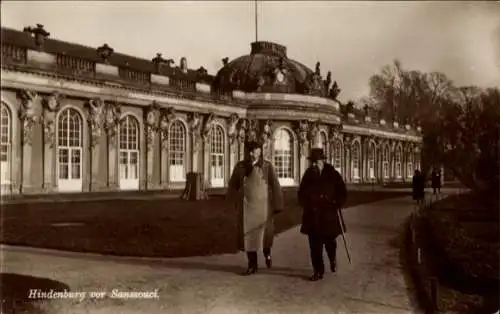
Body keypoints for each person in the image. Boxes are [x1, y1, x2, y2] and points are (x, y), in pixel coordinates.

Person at [227, 140, 284, 275]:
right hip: (247, 208)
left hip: (263, 207)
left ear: (260, 151)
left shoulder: (267, 166)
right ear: (248, 152)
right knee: (249, 237)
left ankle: (267, 253)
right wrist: (234, 199)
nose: (254, 153)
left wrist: (277, 205)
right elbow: (233, 185)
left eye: (256, 150)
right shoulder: (240, 167)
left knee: (265, 235)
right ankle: (252, 265)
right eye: (251, 151)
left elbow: (275, 186)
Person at [298, 148, 347, 281]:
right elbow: (301, 193)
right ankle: (318, 271)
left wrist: (336, 202)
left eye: (316, 162)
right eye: (312, 162)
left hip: (328, 216)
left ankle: (332, 258)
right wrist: (306, 203)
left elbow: (342, 192)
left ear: (322, 161)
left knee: (330, 243)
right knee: (314, 245)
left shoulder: (332, 174)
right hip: (312, 216)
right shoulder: (308, 175)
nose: (313, 165)